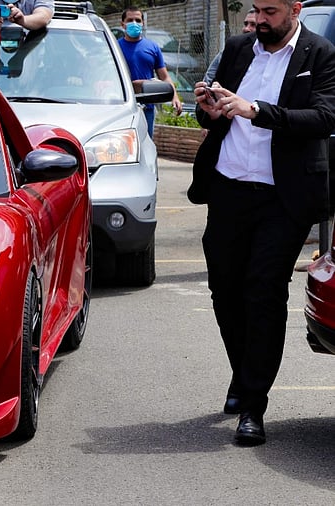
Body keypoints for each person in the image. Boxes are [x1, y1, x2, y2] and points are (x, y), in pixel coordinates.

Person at [189, 0, 335, 446]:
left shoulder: (320, 54)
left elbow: (325, 117)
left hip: (282, 197)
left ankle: (253, 405)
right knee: (225, 289)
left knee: (264, 291)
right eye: (256, 10)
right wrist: (209, 109)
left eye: (270, 11)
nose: (261, 20)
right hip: (229, 189)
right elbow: (213, 116)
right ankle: (244, 373)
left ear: (295, 9)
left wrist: (258, 111)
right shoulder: (238, 48)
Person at [117, 6, 183, 137]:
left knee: (146, 146)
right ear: (122, 24)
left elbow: (164, 77)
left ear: (143, 23)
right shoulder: (115, 47)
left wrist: (174, 97)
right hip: (123, 106)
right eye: (130, 20)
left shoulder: (153, 47)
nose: (134, 23)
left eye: (138, 20)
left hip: (147, 108)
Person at [204, 8, 257, 83]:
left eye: (253, 25)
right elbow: (210, 77)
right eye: (245, 24)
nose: (246, 29)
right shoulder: (231, 51)